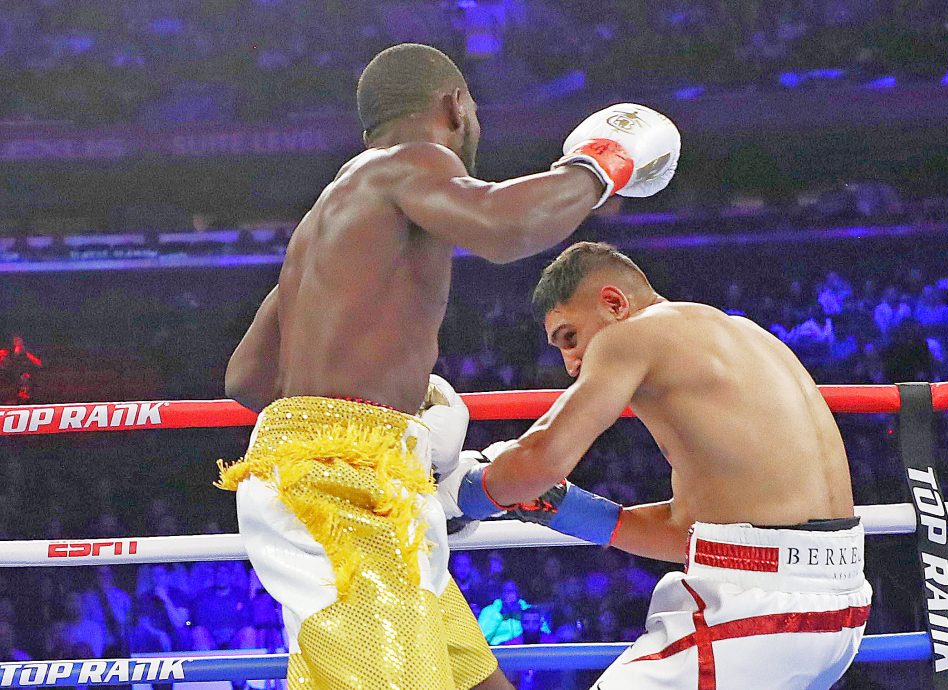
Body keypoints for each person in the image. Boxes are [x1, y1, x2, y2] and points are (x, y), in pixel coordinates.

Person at [216, 42, 680, 690]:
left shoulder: (327, 219)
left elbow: (246, 379)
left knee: (473, 681)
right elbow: (502, 226)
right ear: (455, 106)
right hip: (340, 486)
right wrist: (600, 164)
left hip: (365, 478)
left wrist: (383, 402)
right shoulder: (412, 161)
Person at [443, 242, 873, 689]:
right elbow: (692, 535)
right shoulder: (747, 337)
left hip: (757, 615)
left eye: (569, 337)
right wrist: (562, 507)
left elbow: (542, 460)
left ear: (614, 304)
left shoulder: (630, 335)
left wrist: (459, 493)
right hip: (839, 609)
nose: (570, 365)